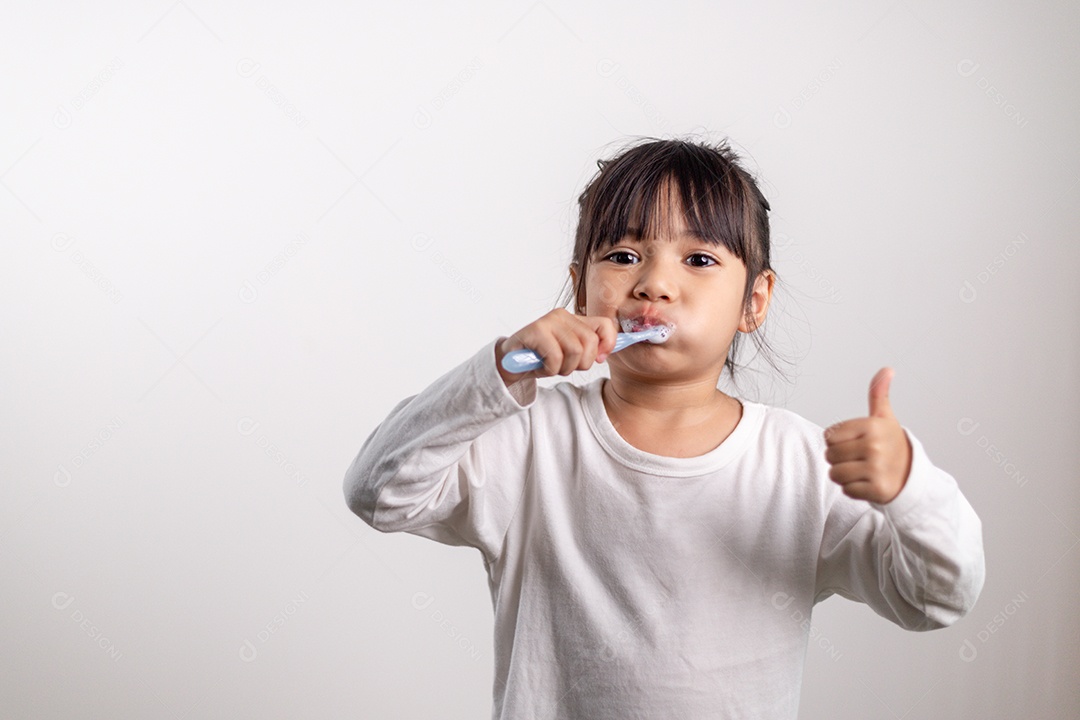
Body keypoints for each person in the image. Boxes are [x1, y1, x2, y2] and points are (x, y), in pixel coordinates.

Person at [343, 136, 985, 719]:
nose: (654, 284)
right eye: (623, 255)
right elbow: (379, 491)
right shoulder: (532, 441)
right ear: (580, 292)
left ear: (753, 302)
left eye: (699, 260)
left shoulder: (798, 464)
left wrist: (911, 489)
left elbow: (934, 600)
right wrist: (503, 370)